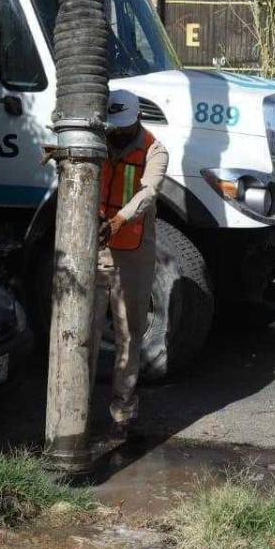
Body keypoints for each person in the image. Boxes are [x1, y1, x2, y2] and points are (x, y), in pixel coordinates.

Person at [92, 89, 169, 440]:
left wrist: (119, 220)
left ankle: (122, 412)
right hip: (98, 248)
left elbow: (148, 192)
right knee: (85, 330)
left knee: (128, 334)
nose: (118, 132)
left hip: (133, 253)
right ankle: (79, 408)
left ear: (137, 118)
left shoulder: (155, 150)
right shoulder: (98, 141)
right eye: (114, 125)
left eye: (124, 126)